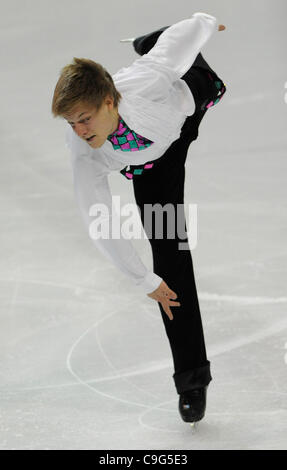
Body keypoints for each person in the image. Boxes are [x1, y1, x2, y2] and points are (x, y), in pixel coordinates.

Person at [51, 12, 227, 424]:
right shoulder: (84, 151)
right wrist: (142, 279)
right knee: (170, 258)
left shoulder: (145, 83)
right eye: (70, 122)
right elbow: (99, 218)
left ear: (109, 101)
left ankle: (149, 38)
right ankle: (192, 379)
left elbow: (178, 44)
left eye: (84, 118)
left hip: (181, 112)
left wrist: (205, 21)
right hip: (153, 168)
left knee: (205, 79)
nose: (78, 130)